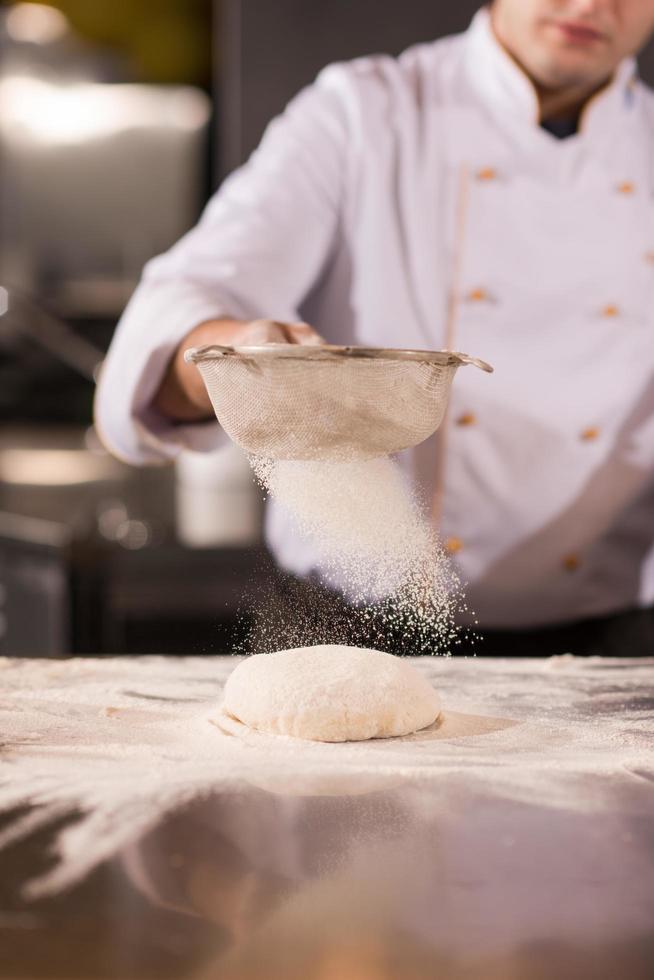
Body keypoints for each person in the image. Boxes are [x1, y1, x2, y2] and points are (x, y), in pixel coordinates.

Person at [95, 0, 654, 656]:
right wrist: (240, 361)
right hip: (342, 624)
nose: (590, 4)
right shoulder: (364, 111)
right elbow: (189, 296)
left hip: (610, 635)